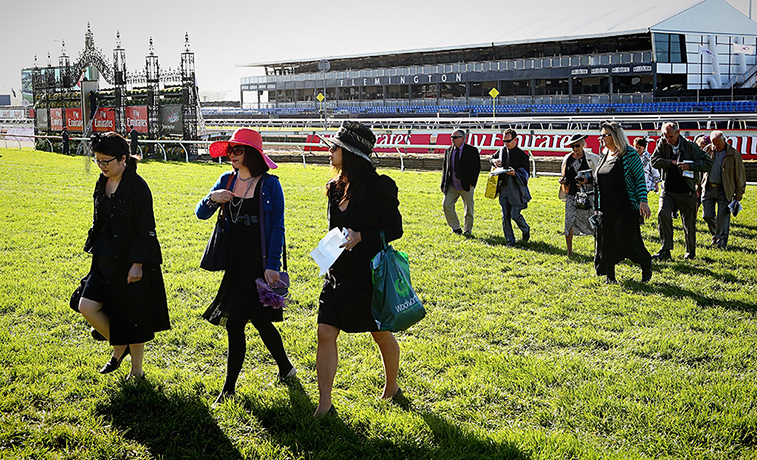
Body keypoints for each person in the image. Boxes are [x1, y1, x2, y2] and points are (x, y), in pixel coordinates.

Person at [196, 128, 295, 405]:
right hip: (235, 265)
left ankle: (231, 388)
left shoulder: (270, 185)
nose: (231, 156)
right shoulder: (225, 180)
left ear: (251, 153)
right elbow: (200, 213)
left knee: (251, 322)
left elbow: (278, 228)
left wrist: (272, 265)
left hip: (260, 265)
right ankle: (283, 369)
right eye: (229, 151)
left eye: (237, 151)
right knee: (243, 323)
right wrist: (211, 199)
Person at [315, 121, 403, 418]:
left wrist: (362, 236)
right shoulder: (333, 188)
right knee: (325, 332)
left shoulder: (381, 186)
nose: (329, 151)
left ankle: (392, 387)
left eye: (335, 147)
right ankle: (324, 403)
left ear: (350, 153)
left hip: (369, 275)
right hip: (337, 275)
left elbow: (395, 229)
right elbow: (334, 228)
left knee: (380, 333)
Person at [78, 132, 170, 379]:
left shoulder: (138, 187)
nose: (101, 165)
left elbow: (146, 227)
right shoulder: (102, 180)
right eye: (97, 160)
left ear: (123, 159)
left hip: (131, 261)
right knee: (86, 305)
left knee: (133, 316)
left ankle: (137, 371)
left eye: (106, 161)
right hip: (104, 257)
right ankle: (120, 346)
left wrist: (138, 264)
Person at [594, 122, 653, 283]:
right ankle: (610, 277)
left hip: (625, 207)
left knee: (625, 240)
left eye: (604, 135)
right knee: (607, 242)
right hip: (605, 208)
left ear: (614, 136)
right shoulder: (604, 154)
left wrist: (643, 200)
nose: (601, 138)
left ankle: (645, 263)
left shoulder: (630, 155)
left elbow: (640, 178)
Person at [651, 122, 713, 260]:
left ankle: (690, 252)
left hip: (687, 191)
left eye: (671, 136)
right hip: (668, 189)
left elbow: (708, 164)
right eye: (665, 136)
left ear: (678, 132)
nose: (668, 140)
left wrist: (690, 166)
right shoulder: (662, 143)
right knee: (663, 214)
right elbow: (654, 161)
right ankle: (665, 250)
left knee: (689, 223)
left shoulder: (690, 146)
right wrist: (670, 162)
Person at [700, 130, 746, 249]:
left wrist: (739, 192)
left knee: (723, 218)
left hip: (725, 190)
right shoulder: (707, 150)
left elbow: (739, 174)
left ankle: (721, 243)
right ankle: (717, 234)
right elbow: (700, 169)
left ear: (724, 140)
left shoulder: (733, 154)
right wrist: (698, 186)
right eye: (714, 144)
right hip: (708, 187)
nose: (716, 147)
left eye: (718, 144)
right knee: (707, 215)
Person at [559, 134, 601, 256]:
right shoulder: (567, 159)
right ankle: (569, 251)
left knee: (593, 223)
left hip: (588, 195)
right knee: (569, 222)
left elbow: (600, 177)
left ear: (583, 145)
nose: (575, 149)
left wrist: (588, 181)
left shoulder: (592, 158)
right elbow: (565, 174)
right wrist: (563, 180)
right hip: (571, 195)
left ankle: (599, 250)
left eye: (577, 146)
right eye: (572, 146)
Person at [490, 128, 531, 246]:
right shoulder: (502, 151)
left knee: (515, 214)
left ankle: (525, 229)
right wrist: (494, 161)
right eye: (504, 141)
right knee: (505, 216)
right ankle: (510, 241)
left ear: (516, 140)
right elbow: (491, 158)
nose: (506, 143)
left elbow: (526, 176)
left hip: (516, 189)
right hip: (503, 188)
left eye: (508, 141)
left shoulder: (522, 156)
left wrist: (515, 174)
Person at [441, 129, 480, 236]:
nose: (452, 140)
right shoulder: (448, 150)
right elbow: (445, 169)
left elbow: (476, 168)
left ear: (462, 138)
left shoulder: (472, 150)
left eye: (455, 137)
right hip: (452, 185)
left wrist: (472, 183)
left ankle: (468, 230)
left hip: (467, 185)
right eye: (451, 137)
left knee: (468, 209)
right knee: (446, 205)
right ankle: (456, 228)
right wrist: (443, 184)